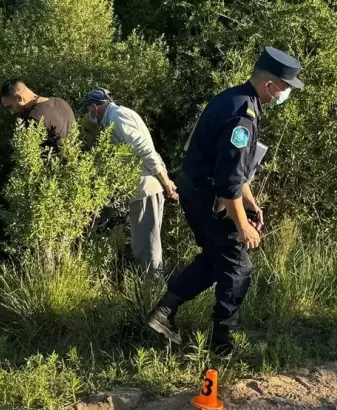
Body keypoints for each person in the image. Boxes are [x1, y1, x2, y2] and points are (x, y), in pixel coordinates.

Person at [145, 47, 304, 356]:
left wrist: (252, 205)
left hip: (198, 192)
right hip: (210, 199)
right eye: (284, 89)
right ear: (271, 85)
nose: (285, 95)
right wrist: (243, 226)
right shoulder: (242, 118)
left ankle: (164, 312)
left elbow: (238, 173)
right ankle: (222, 344)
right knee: (237, 268)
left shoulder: (235, 98)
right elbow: (229, 182)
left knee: (217, 256)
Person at [84, 88, 179, 272]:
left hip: (145, 187)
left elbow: (144, 149)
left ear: (95, 107)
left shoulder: (118, 117)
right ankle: (151, 289)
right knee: (144, 244)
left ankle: (153, 293)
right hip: (143, 187)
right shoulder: (118, 115)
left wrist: (166, 181)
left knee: (147, 247)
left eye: (89, 109)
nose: (89, 114)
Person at [0, 79, 75, 148]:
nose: (11, 112)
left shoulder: (32, 120)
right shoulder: (61, 102)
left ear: (19, 98)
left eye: (10, 107)